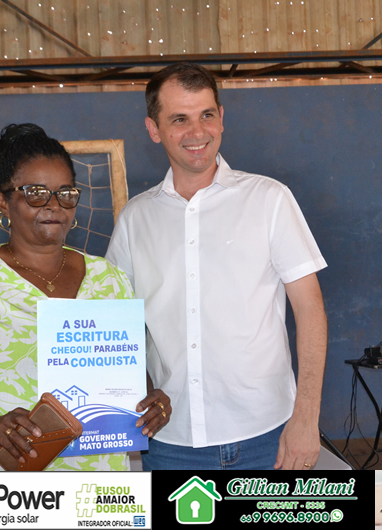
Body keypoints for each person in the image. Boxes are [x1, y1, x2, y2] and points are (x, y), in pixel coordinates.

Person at [0, 123, 171, 471]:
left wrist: (150, 400)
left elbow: (122, 370)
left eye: (65, 193)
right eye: (36, 193)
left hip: (96, 484)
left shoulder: (108, 279)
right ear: (3, 201)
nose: (54, 205)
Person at [106, 62, 328, 470]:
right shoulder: (136, 219)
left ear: (221, 118)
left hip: (267, 435)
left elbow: (310, 308)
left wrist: (306, 416)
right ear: (154, 129)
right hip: (169, 441)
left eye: (206, 115)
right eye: (179, 119)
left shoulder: (270, 199)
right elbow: (116, 324)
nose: (197, 132)